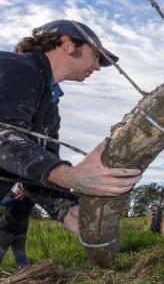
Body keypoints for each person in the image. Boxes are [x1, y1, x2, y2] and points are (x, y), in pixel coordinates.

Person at [0, 20, 142, 235]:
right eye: (96, 55)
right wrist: (67, 174)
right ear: (67, 44)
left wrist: (66, 208)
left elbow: (36, 170)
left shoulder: (50, 108)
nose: (97, 66)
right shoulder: (14, 67)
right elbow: (5, 139)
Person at [0, 184, 32, 267]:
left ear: (21, 189)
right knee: (20, 255)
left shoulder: (15, 199)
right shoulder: (32, 200)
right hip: (21, 232)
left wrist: (12, 192)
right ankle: (26, 274)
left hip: (7, 231)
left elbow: (3, 202)